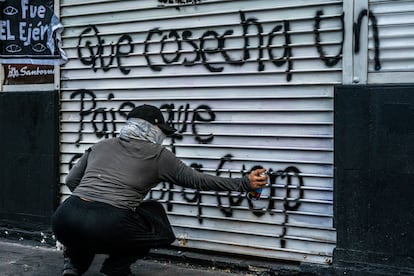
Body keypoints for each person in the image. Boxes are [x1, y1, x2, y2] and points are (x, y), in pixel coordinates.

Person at [52, 104, 268, 276]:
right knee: (155, 221)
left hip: (63, 217)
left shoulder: (101, 144)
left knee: (85, 224)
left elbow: (72, 180)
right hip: (108, 223)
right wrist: (243, 184)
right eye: (160, 130)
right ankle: (115, 268)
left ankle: (73, 267)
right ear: (149, 129)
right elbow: (198, 181)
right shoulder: (158, 154)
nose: (162, 136)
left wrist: (92, 201)